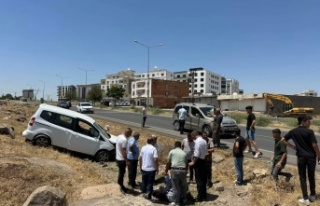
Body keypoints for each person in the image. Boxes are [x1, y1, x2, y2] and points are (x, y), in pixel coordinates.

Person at [282, 115, 320, 205]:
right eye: (308, 121)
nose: (310, 123)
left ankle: (305, 198)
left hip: (301, 157)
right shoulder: (309, 132)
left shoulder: (293, 131)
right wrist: (319, 155)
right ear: (304, 121)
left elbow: (283, 139)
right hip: (311, 157)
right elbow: (314, 145)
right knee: (311, 176)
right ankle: (313, 195)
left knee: (302, 177)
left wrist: (292, 146)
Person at [166, 141, 188, 206]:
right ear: (180, 146)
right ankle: (184, 199)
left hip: (174, 170)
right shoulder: (184, 153)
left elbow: (168, 162)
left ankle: (176, 202)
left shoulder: (172, 151)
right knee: (183, 185)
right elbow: (186, 164)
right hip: (183, 170)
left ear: (175, 145)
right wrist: (186, 171)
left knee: (175, 187)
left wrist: (166, 170)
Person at [189, 130, 208, 202]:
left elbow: (196, 154)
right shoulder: (204, 141)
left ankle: (199, 197)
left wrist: (193, 162)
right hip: (203, 160)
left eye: (192, 136)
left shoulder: (197, 142)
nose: (192, 138)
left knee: (199, 179)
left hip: (198, 162)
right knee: (203, 179)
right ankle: (204, 195)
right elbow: (206, 152)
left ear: (194, 135)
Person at [116, 128, 132, 193]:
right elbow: (123, 151)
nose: (130, 135)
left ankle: (120, 184)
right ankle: (120, 186)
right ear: (127, 133)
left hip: (118, 157)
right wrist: (127, 161)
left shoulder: (119, 136)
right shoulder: (124, 140)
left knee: (121, 172)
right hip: (122, 159)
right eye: (130, 134)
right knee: (122, 173)